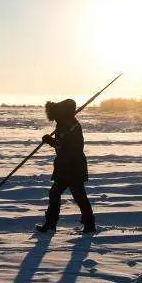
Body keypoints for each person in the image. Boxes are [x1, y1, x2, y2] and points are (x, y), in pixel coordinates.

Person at [37, 99, 95, 233]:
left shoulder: (71, 125)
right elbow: (60, 143)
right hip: (64, 166)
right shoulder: (63, 123)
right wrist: (52, 140)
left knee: (79, 196)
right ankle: (51, 224)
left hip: (73, 166)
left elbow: (63, 144)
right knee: (56, 193)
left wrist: (50, 140)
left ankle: (89, 224)